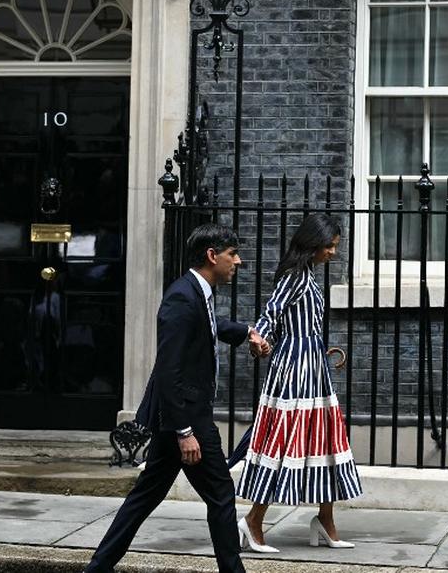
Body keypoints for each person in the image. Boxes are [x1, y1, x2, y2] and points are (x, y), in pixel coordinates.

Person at [84, 223, 271, 573]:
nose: (239, 261)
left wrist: (247, 332)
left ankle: (97, 568)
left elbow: (210, 327)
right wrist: (184, 431)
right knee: (220, 494)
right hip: (186, 415)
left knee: (145, 497)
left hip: (179, 415)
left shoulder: (196, 292)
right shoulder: (181, 297)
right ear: (212, 256)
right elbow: (168, 369)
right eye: (233, 254)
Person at [235, 214, 362, 553]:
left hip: (313, 363)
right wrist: (257, 338)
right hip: (293, 368)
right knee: (285, 440)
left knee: (326, 441)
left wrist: (315, 346)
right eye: (330, 246)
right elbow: (270, 312)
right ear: (313, 244)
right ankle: (253, 521)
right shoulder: (295, 276)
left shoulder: (308, 276)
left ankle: (326, 520)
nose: (334, 253)